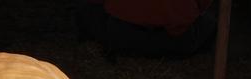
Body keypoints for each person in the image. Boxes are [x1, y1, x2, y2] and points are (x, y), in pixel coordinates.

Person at [77, 0, 217, 58]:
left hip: (120, 34)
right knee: (211, 19)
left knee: (87, 9)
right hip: (178, 41)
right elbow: (202, 6)